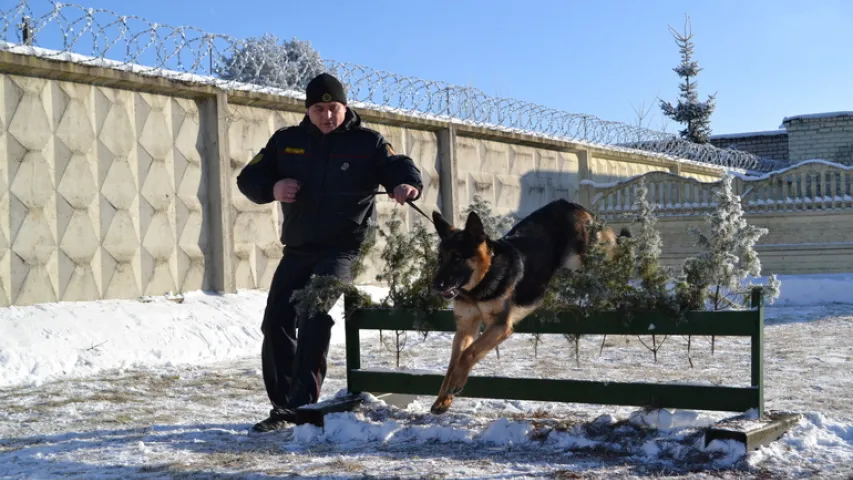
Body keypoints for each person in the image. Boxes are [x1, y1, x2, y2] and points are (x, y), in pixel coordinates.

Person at [236, 72, 423, 432]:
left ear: (345, 107)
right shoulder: (286, 142)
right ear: (308, 110)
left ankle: (302, 406)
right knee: (275, 321)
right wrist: (273, 187)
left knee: (313, 313)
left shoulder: (366, 142)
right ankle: (284, 406)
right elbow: (249, 179)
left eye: (333, 108)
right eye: (318, 109)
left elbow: (398, 165)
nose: (326, 115)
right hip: (299, 248)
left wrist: (406, 184)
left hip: (343, 248)